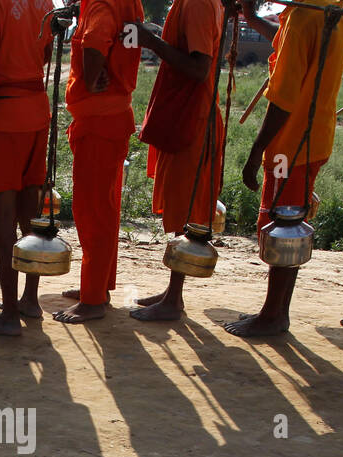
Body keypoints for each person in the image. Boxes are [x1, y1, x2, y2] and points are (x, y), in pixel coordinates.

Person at [224, 0, 343, 338]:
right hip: (313, 137)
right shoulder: (330, 8)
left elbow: (283, 97)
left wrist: (255, 153)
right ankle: (276, 311)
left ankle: (273, 315)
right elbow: (290, 43)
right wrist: (251, 18)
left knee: (283, 230)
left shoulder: (305, 13)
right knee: (289, 224)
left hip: (291, 144)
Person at [128, 0, 227, 323]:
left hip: (194, 120)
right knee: (178, 204)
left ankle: (174, 298)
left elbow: (199, 69)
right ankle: (172, 292)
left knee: (187, 210)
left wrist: (151, 42)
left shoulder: (198, 3)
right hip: (186, 115)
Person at [52, 0, 143, 325]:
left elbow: (93, 43)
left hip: (100, 121)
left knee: (93, 211)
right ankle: (97, 287)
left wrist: (90, 77)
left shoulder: (102, 3)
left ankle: (93, 300)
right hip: (110, 118)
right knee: (103, 207)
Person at [0, 0, 55, 337]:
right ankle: (29, 299)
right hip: (36, 112)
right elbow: (44, 54)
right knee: (28, 212)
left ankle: (9, 315)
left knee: (3, 218)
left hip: (4, 119)